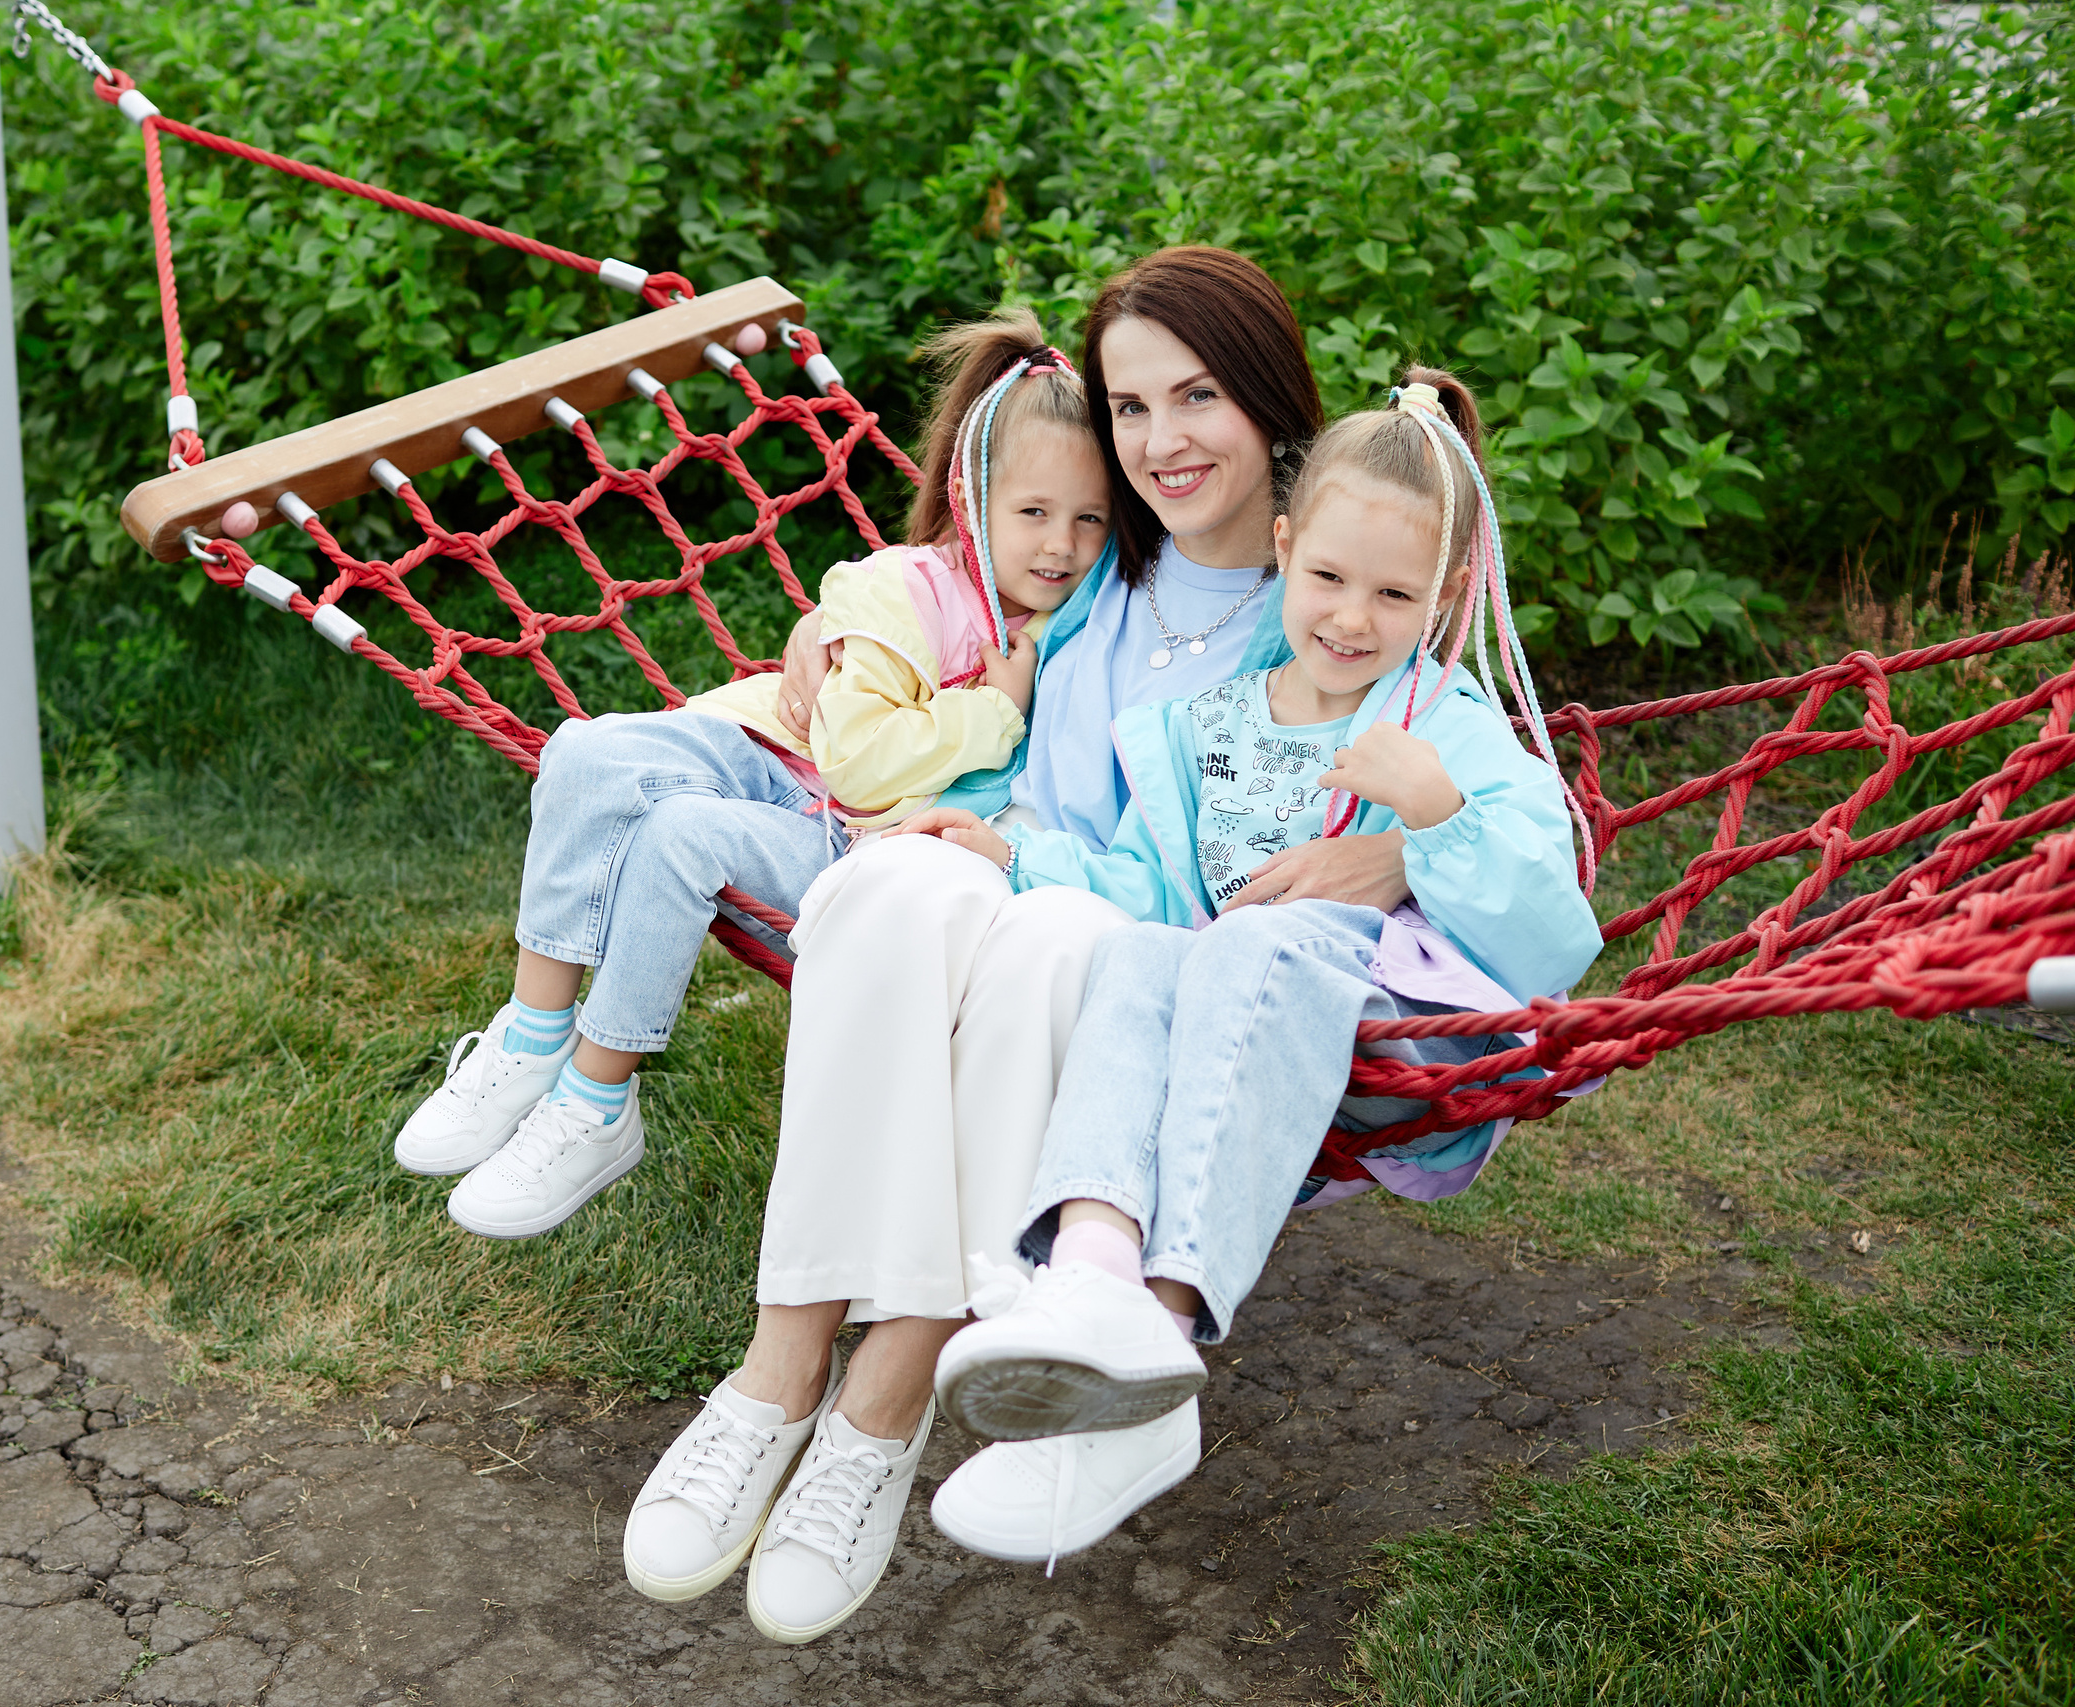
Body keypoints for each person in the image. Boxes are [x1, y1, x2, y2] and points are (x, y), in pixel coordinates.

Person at [620, 247, 1407, 1646]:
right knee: (878, 892)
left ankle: (889, 1392)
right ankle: (780, 1359)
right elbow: (933, 585)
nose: (1163, 440)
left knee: (1046, 936)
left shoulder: (1345, 574)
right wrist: (829, 625)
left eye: (1199, 396)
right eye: (1131, 406)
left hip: (1145, 934)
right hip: (1002, 861)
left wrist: (1399, 845)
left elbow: (1482, 760)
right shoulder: (1100, 556)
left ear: (1273, 400)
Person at [918, 371, 1601, 1568]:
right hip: (1247, 1031)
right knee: (1146, 949)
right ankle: (1090, 1273)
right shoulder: (1204, 728)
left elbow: (1554, 939)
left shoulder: (1447, 720)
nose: (1349, 618)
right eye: (1327, 577)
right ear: (1283, 549)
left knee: (1253, 938)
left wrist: (1437, 820)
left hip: (1400, 1038)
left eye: (1392, 595)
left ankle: (1162, 1327)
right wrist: (1017, 858)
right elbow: (1146, 888)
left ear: (1442, 597)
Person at [392, 308, 1111, 1240]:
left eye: (1090, 520)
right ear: (973, 499)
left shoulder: (1089, 626)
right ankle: (532, 1035)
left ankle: (597, 1102)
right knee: (582, 752)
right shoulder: (907, 587)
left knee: (677, 838)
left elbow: (859, 783)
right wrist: (989, 706)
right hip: (772, 745)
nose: (1060, 545)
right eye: (1034, 514)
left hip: (854, 843)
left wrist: (999, 706)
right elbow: (850, 746)